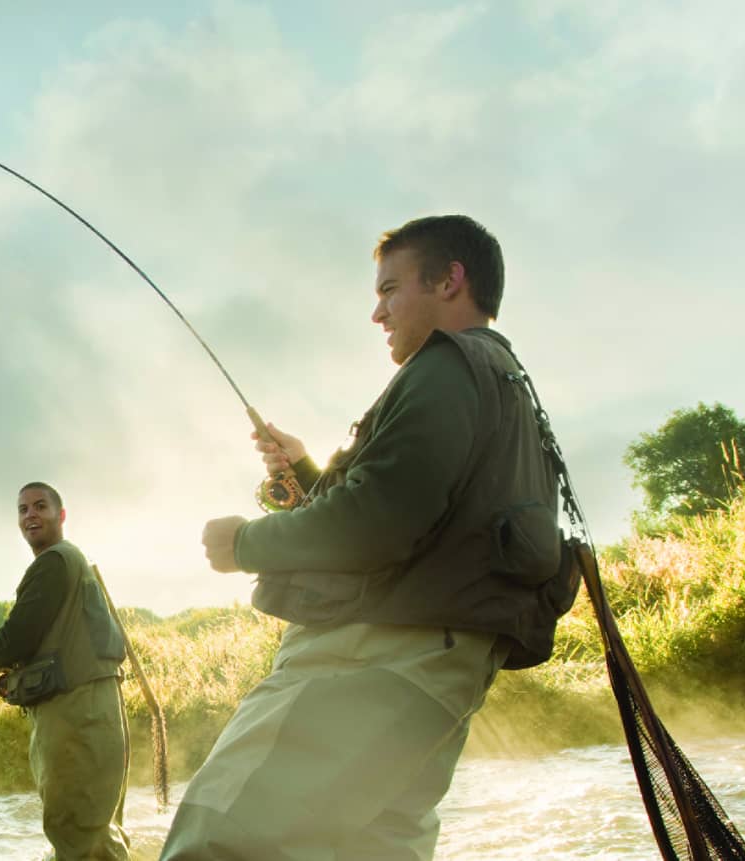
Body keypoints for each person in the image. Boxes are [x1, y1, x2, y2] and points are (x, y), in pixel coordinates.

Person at [159, 215, 567, 860]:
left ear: (450, 280)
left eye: (389, 289)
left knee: (222, 840)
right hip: (437, 673)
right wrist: (309, 474)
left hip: (373, 661)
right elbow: (418, 515)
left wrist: (245, 544)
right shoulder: (506, 381)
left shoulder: (446, 364)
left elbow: (375, 522)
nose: (377, 312)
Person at [0, 481, 131, 861]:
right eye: (23, 510)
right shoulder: (71, 562)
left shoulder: (53, 562)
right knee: (96, 830)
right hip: (94, 709)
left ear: (60, 515)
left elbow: (18, 637)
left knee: (74, 829)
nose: (30, 515)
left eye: (39, 506)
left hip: (75, 713)